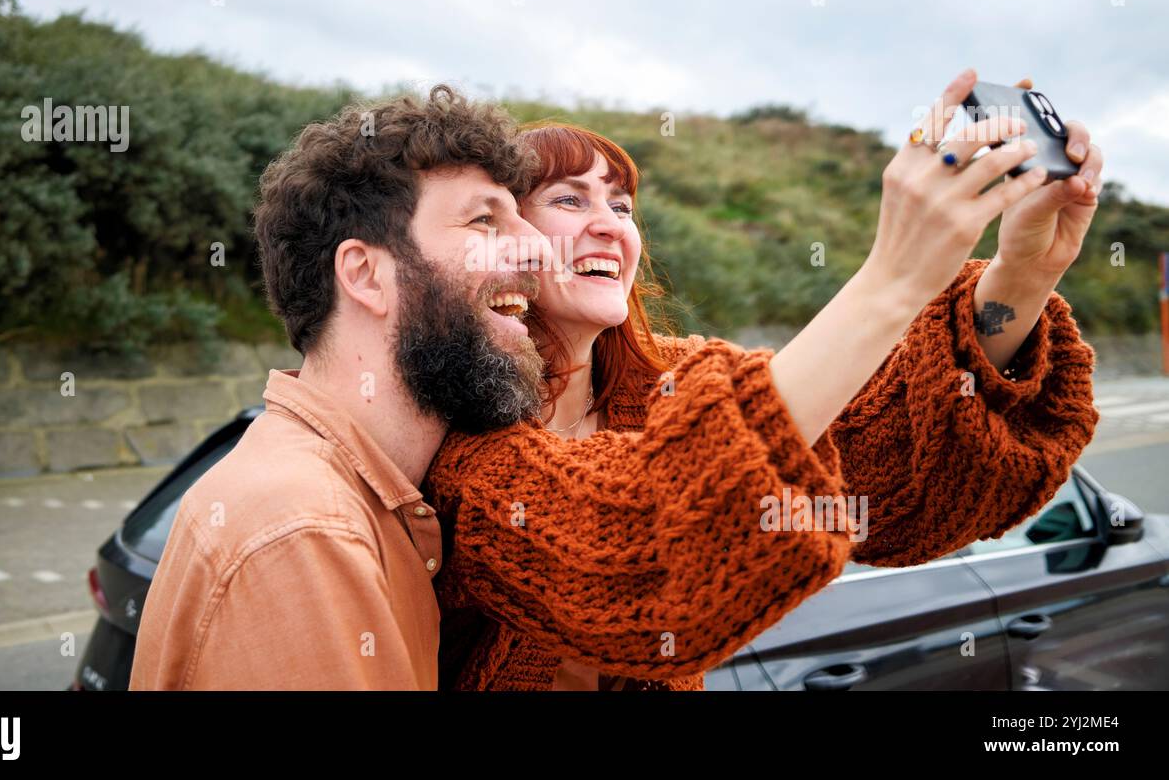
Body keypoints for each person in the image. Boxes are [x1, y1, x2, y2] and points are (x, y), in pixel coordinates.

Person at [424, 68, 1106, 690]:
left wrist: (1023, 273)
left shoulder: (676, 378)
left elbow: (886, 465)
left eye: (624, 208)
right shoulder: (458, 433)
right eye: (570, 201)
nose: (610, 226)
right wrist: (894, 276)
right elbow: (629, 551)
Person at [130, 84, 556, 689]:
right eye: (485, 219)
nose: (539, 248)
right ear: (365, 276)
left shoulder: (356, 494)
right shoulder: (308, 532)